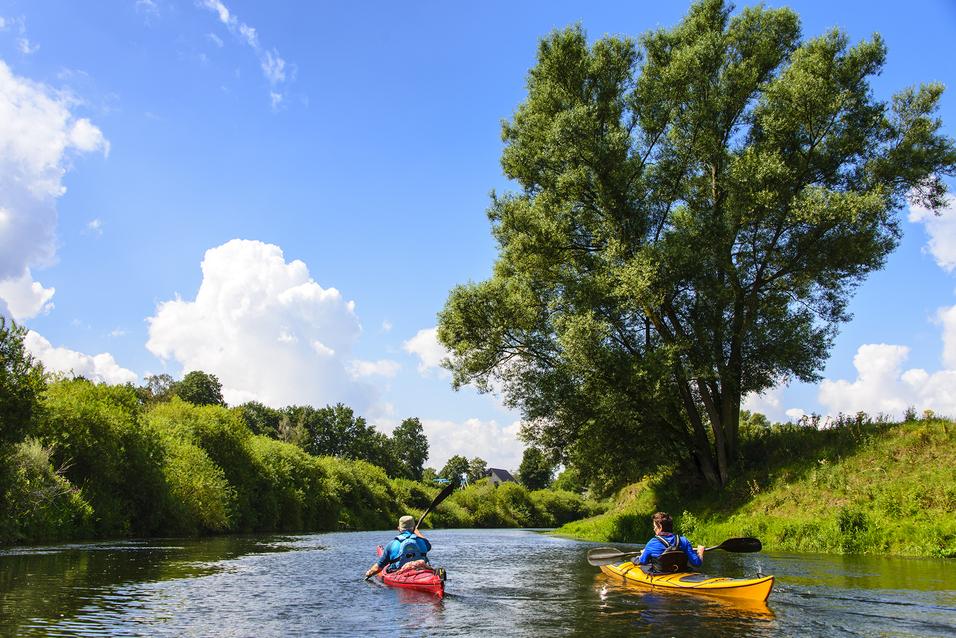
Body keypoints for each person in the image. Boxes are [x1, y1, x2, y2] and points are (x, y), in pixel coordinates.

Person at [365, 515, 433, 578]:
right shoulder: (423, 542)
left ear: (398, 528)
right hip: (421, 572)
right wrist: (417, 532)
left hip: (400, 574)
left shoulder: (391, 545)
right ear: (414, 528)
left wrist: (369, 573)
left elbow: (379, 567)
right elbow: (428, 546)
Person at [635, 511, 705, 573]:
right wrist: (700, 552)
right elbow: (696, 563)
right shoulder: (684, 540)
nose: (654, 529)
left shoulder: (652, 543)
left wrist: (643, 553)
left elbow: (643, 561)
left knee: (634, 560)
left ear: (660, 526)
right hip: (681, 572)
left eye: (655, 526)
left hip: (661, 575)